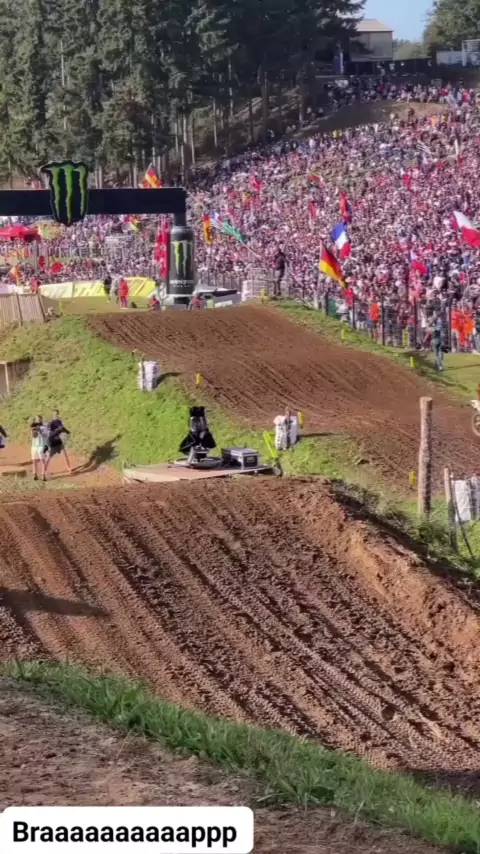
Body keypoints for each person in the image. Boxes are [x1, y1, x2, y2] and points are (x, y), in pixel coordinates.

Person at [43, 409, 71, 480]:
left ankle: (68, 467)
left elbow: (62, 428)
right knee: (49, 456)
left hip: (58, 440)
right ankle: (44, 469)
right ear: (53, 415)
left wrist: (67, 431)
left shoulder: (59, 421)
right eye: (55, 414)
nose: (56, 415)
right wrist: (61, 430)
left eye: (57, 414)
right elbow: (49, 432)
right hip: (52, 441)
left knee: (64, 454)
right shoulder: (51, 423)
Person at [30, 416, 47, 480]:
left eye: (39, 419)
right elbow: (33, 436)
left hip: (41, 445)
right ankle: (35, 474)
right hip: (34, 446)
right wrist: (33, 430)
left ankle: (43, 475)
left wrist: (38, 429)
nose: (38, 421)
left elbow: (45, 434)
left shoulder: (43, 427)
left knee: (42, 460)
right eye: (37, 419)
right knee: (34, 460)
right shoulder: (33, 427)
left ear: (41, 420)